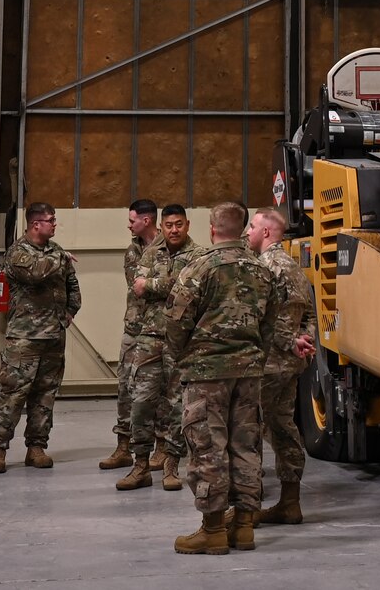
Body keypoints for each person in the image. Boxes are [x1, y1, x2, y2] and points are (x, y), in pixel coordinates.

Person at [161, 201, 279, 555]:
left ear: (212, 229)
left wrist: (185, 356)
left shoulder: (200, 268)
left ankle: (212, 531)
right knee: (247, 447)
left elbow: (176, 322)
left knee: (208, 448)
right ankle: (243, 528)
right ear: (242, 229)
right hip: (249, 372)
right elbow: (270, 326)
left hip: (206, 373)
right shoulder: (262, 271)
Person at [0, 202, 81, 473]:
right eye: (51, 220)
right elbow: (36, 273)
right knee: (13, 394)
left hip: (53, 337)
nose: (54, 224)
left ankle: (36, 447)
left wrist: (69, 312)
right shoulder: (17, 252)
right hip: (24, 340)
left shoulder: (56, 251)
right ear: (35, 224)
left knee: (45, 396)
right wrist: (61, 258)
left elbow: (72, 286)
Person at [117, 201, 201, 494]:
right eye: (169, 225)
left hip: (181, 342)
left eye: (179, 224)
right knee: (140, 402)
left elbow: (189, 290)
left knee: (177, 406)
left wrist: (153, 284)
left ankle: (171, 466)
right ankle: (140, 466)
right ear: (161, 226)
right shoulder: (150, 252)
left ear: (187, 225)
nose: (174, 230)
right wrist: (164, 285)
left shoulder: (199, 255)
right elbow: (137, 287)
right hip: (149, 337)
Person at [247, 205, 317, 525]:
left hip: (267, 364)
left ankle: (247, 507)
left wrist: (290, 341)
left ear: (266, 232)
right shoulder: (294, 266)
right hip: (290, 366)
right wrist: (304, 342)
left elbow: (264, 317)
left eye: (251, 227)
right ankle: (291, 502)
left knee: (248, 427)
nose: (247, 232)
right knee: (283, 427)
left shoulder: (264, 268)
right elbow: (311, 314)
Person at [100, 198, 158, 472]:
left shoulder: (168, 249)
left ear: (146, 220)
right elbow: (136, 289)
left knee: (160, 392)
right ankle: (123, 446)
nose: (128, 225)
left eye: (132, 220)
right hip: (134, 329)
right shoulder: (132, 251)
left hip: (160, 331)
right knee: (125, 387)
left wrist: (152, 286)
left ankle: (160, 449)